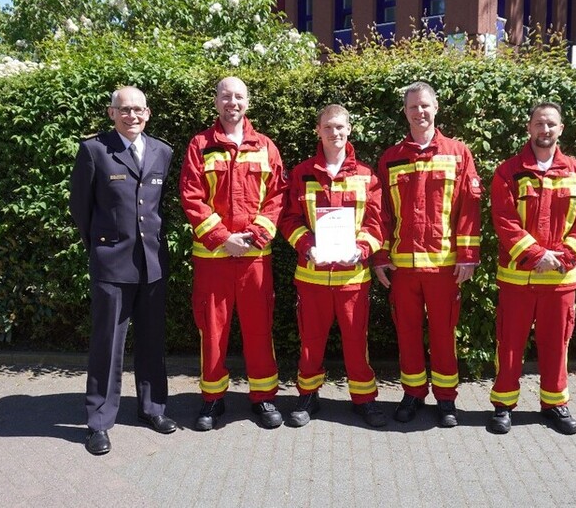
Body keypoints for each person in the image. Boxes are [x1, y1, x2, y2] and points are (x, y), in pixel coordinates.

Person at [69, 86, 176, 456]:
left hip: (152, 262)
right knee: (107, 345)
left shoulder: (162, 151)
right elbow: (80, 208)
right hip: (112, 263)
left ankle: (152, 408)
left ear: (148, 114)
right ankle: (98, 422)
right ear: (111, 113)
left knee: (152, 341)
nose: (132, 116)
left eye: (139, 110)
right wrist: (101, 246)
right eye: (124, 110)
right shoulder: (94, 150)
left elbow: (161, 208)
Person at [487, 102, 576, 435]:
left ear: (561, 129)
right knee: (509, 344)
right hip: (517, 279)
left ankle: (555, 404)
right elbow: (504, 220)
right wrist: (537, 254)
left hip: (560, 279)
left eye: (551, 124)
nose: (545, 130)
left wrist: (564, 257)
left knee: (557, 344)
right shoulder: (508, 171)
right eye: (539, 124)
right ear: (529, 128)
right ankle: (503, 405)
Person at [180, 76, 288, 431]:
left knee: (260, 327)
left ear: (248, 102)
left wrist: (255, 236)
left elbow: (276, 198)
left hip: (255, 258)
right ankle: (212, 399)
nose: (232, 102)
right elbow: (191, 197)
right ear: (216, 102)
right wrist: (224, 238)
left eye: (238, 96)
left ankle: (264, 397)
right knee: (212, 330)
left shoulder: (266, 147)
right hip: (214, 258)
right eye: (226, 96)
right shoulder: (200, 145)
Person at [373, 82, 482, 428]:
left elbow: (469, 206)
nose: (419, 112)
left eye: (424, 106)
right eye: (412, 107)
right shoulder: (390, 158)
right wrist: (379, 256)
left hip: (444, 266)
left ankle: (446, 399)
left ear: (436, 108)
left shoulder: (457, 153)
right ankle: (413, 393)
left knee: (443, 334)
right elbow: (381, 213)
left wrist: (467, 254)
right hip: (403, 266)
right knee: (406, 333)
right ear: (404, 112)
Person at [278, 104, 386, 428]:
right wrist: (306, 246)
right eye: (328, 127)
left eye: (340, 127)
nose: (335, 133)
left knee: (356, 342)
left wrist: (362, 248)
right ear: (318, 131)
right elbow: (289, 219)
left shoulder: (366, 176)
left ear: (349, 129)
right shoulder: (301, 174)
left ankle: (364, 400)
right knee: (310, 341)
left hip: (353, 277)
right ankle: (308, 396)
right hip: (311, 276)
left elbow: (377, 222)